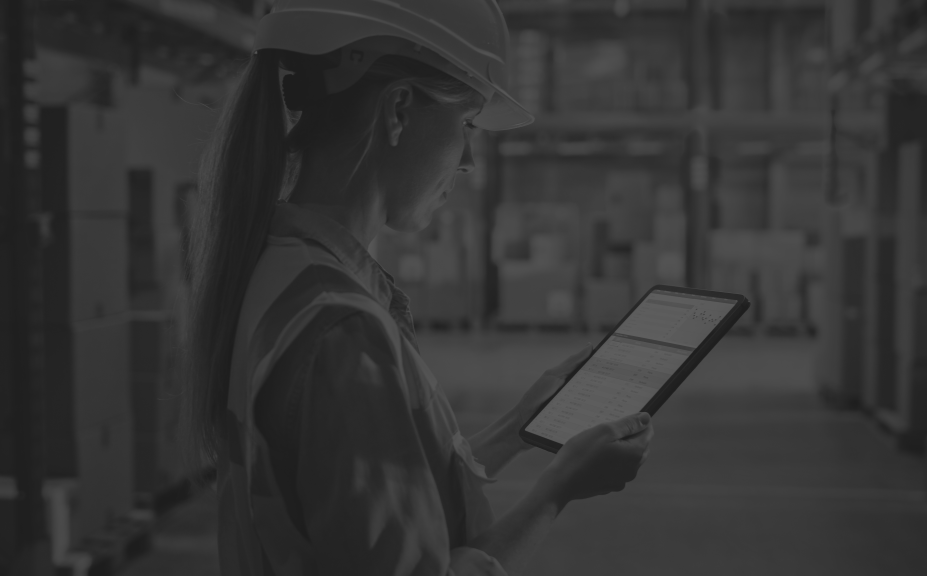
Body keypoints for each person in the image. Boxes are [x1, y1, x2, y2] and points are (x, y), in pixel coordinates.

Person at [182, 1, 655, 574]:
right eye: (468, 125)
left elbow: (373, 489)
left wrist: (517, 428)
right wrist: (558, 490)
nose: (470, 161)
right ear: (399, 110)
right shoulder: (340, 329)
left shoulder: (287, 272)